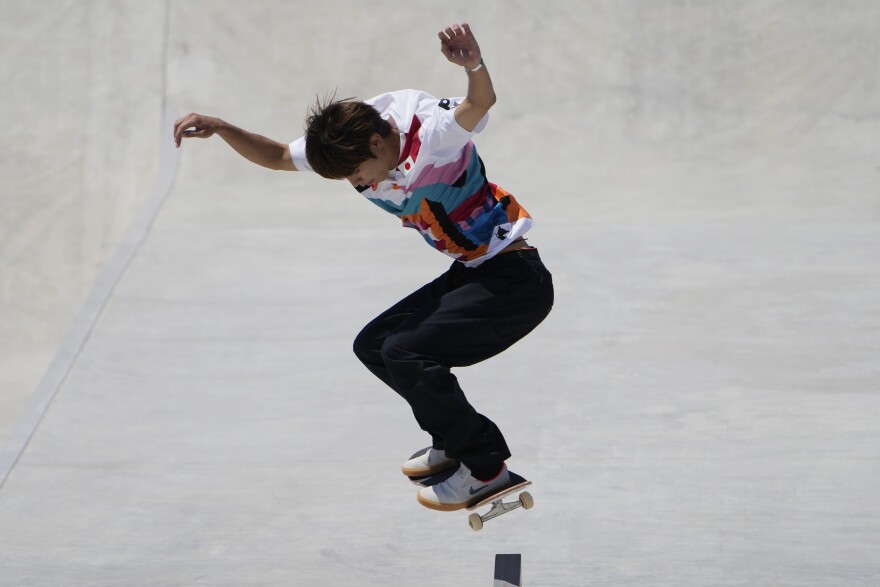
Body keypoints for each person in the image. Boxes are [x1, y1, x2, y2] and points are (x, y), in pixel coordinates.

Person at [173, 23, 553, 511]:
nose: (358, 183)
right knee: (373, 345)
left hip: (515, 280)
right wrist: (222, 126)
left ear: (377, 144)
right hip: (475, 271)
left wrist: (473, 66)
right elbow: (273, 155)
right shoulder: (343, 143)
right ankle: (452, 441)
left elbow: (478, 106)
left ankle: (484, 468)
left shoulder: (432, 132)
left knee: (406, 352)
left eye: (357, 176)